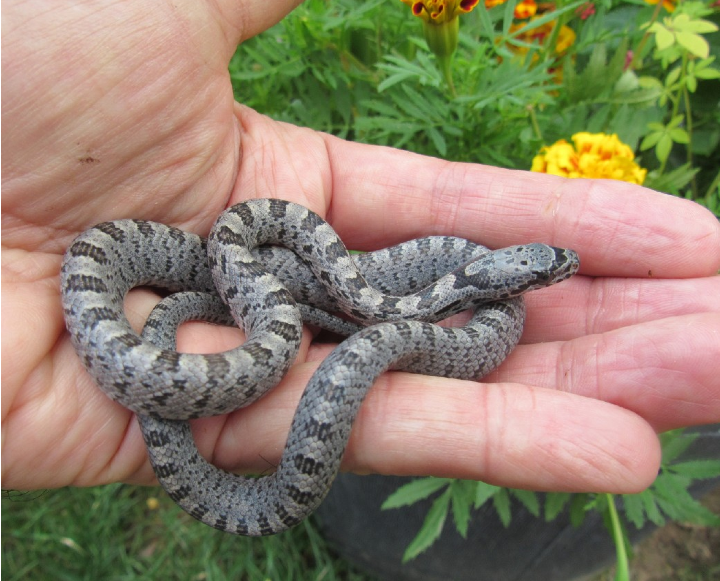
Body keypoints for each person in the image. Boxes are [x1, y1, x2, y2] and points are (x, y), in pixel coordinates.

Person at [2, 1, 718, 497]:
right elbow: (287, 271)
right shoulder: (258, 252)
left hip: (345, 297)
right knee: (274, 290)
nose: (552, 272)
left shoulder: (461, 285)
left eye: (545, 269)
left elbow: (380, 303)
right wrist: (190, 314)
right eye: (546, 265)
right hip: (184, 261)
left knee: (307, 300)